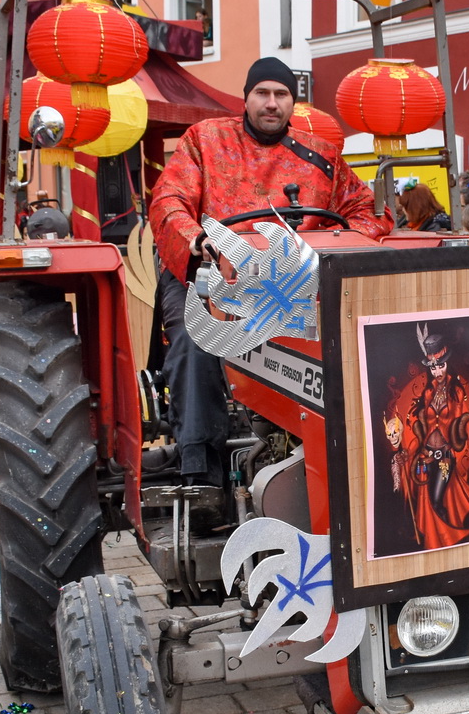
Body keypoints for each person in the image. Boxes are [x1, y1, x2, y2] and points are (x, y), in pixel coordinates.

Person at [148, 56, 388, 491]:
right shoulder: (205, 139)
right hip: (212, 276)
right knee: (195, 339)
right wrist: (197, 239)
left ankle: (354, 456)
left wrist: (344, 242)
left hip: (296, 282)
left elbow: (364, 213)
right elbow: (169, 200)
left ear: (293, 103)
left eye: (281, 95)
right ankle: (201, 470)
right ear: (246, 98)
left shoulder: (323, 156)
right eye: (263, 93)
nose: (272, 103)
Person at [385, 323, 469, 548]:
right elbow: (423, 421)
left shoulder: (457, 391)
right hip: (425, 455)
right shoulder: (428, 391)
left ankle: (447, 542)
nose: (438, 371)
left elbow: (462, 421)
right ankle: (431, 541)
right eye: (434, 368)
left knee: (436, 500)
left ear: (447, 363)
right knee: (423, 500)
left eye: (441, 366)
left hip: (445, 456)